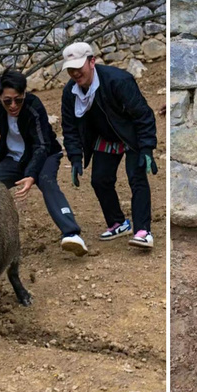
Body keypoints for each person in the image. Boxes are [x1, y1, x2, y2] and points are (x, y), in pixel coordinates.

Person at [0, 68, 88, 257]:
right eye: (7, 101)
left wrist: (31, 175)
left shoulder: (34, 107)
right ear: (0, 96)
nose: (13, 105)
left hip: (44, 155)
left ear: (25, 94)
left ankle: (72, 233)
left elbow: (42, 144)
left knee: (47, 182)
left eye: (18, 99)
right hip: (12, 159)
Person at [60, 42, 158, 249]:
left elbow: (143, 114)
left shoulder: (119, 81)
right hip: (105, 137)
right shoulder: (70, 92)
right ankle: (118, 223)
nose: (75, 73)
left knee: (136, 177)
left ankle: (143, 231)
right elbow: (69, 127)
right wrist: (75, 157)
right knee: (100, 180)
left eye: (79, 66)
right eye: (70, 69)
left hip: (132, 135)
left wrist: (147, 147)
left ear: (92, 61)